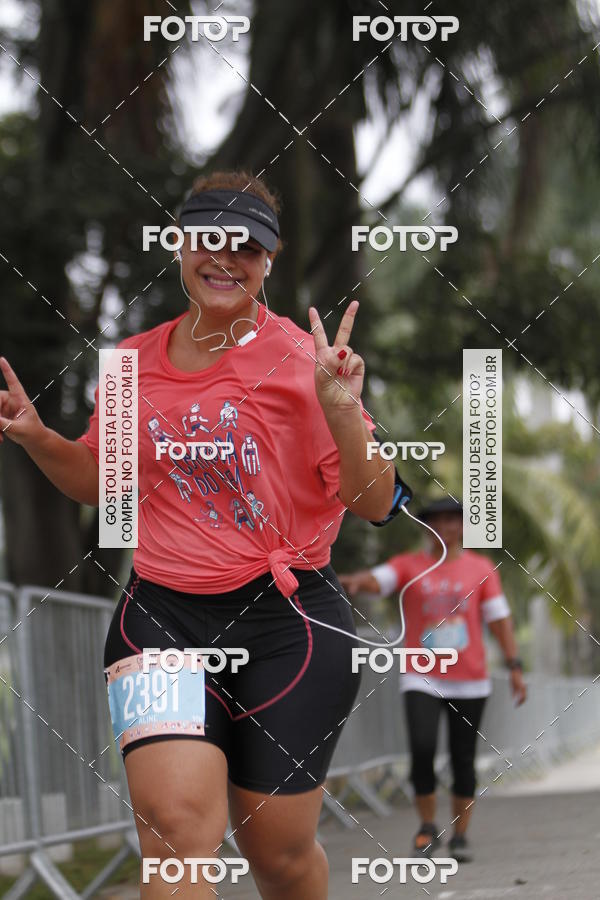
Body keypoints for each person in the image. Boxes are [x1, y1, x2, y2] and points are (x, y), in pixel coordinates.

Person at [0, 170, 396, 899]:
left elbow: (372, 503)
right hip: (164, 617)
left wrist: (341, 409)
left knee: (277, 854)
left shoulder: (301, 361)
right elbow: (101, 481)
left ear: (269, 261)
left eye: (246, 246)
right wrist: (35, 439)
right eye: (208, 239)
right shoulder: (129, 365)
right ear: (180, 245)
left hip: (290, 621)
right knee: (177, 833)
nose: (225, 257)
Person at [339, 496, 527, 863]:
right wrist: (357, 581)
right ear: (426, 527)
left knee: (463, 759)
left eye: (453, 521)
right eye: (436, 522)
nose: (444, 528)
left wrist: (515, 665)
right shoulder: (410, 564)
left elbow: (499, 620)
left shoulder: (481, 569)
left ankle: (460, 834)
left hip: (470, 678)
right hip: (421, 674)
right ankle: (427, 827)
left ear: (463, 527)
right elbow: (380, 579)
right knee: (422, 750)